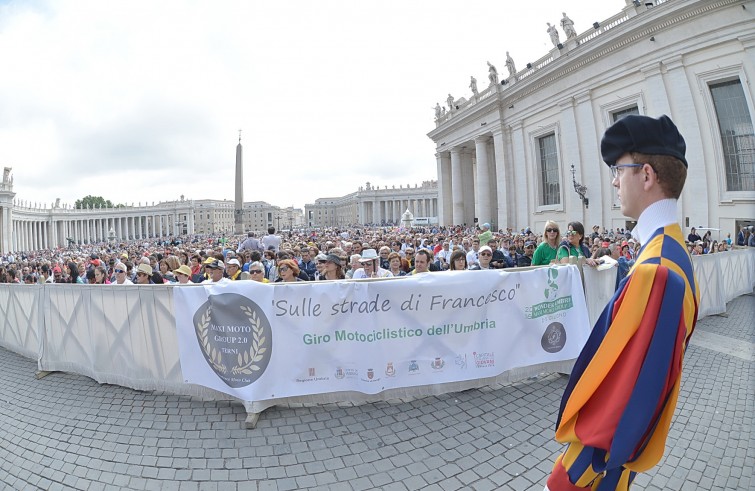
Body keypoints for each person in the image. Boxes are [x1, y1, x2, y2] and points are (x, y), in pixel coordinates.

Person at [546, 114, 699, 491]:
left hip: (597, 468)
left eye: (619, 169)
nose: (614, 181)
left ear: (646, 176)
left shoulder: (656, 272)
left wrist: (566, 478)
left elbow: (622, 401)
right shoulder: (673, 253)